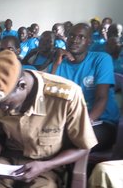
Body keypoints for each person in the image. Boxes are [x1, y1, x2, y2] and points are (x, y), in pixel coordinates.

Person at [0, 50, 98, 188]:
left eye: (6, 104)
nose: (2, 109)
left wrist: (46, 165)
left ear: (22, 86)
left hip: (46, 166)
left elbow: (83, 148)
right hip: (7, 162)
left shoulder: (67, 96)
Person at [49, 23, 120, 152]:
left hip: (100, 121)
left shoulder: (101, 59)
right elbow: (48, 95)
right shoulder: (60, 63)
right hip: (68, 122)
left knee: (71, 141)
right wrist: (55, 64)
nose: (75, 40)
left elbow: (101, 98)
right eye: (71, 35)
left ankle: (63, 170)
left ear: (89, 42)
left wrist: (83, 123)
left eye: (81, 37)